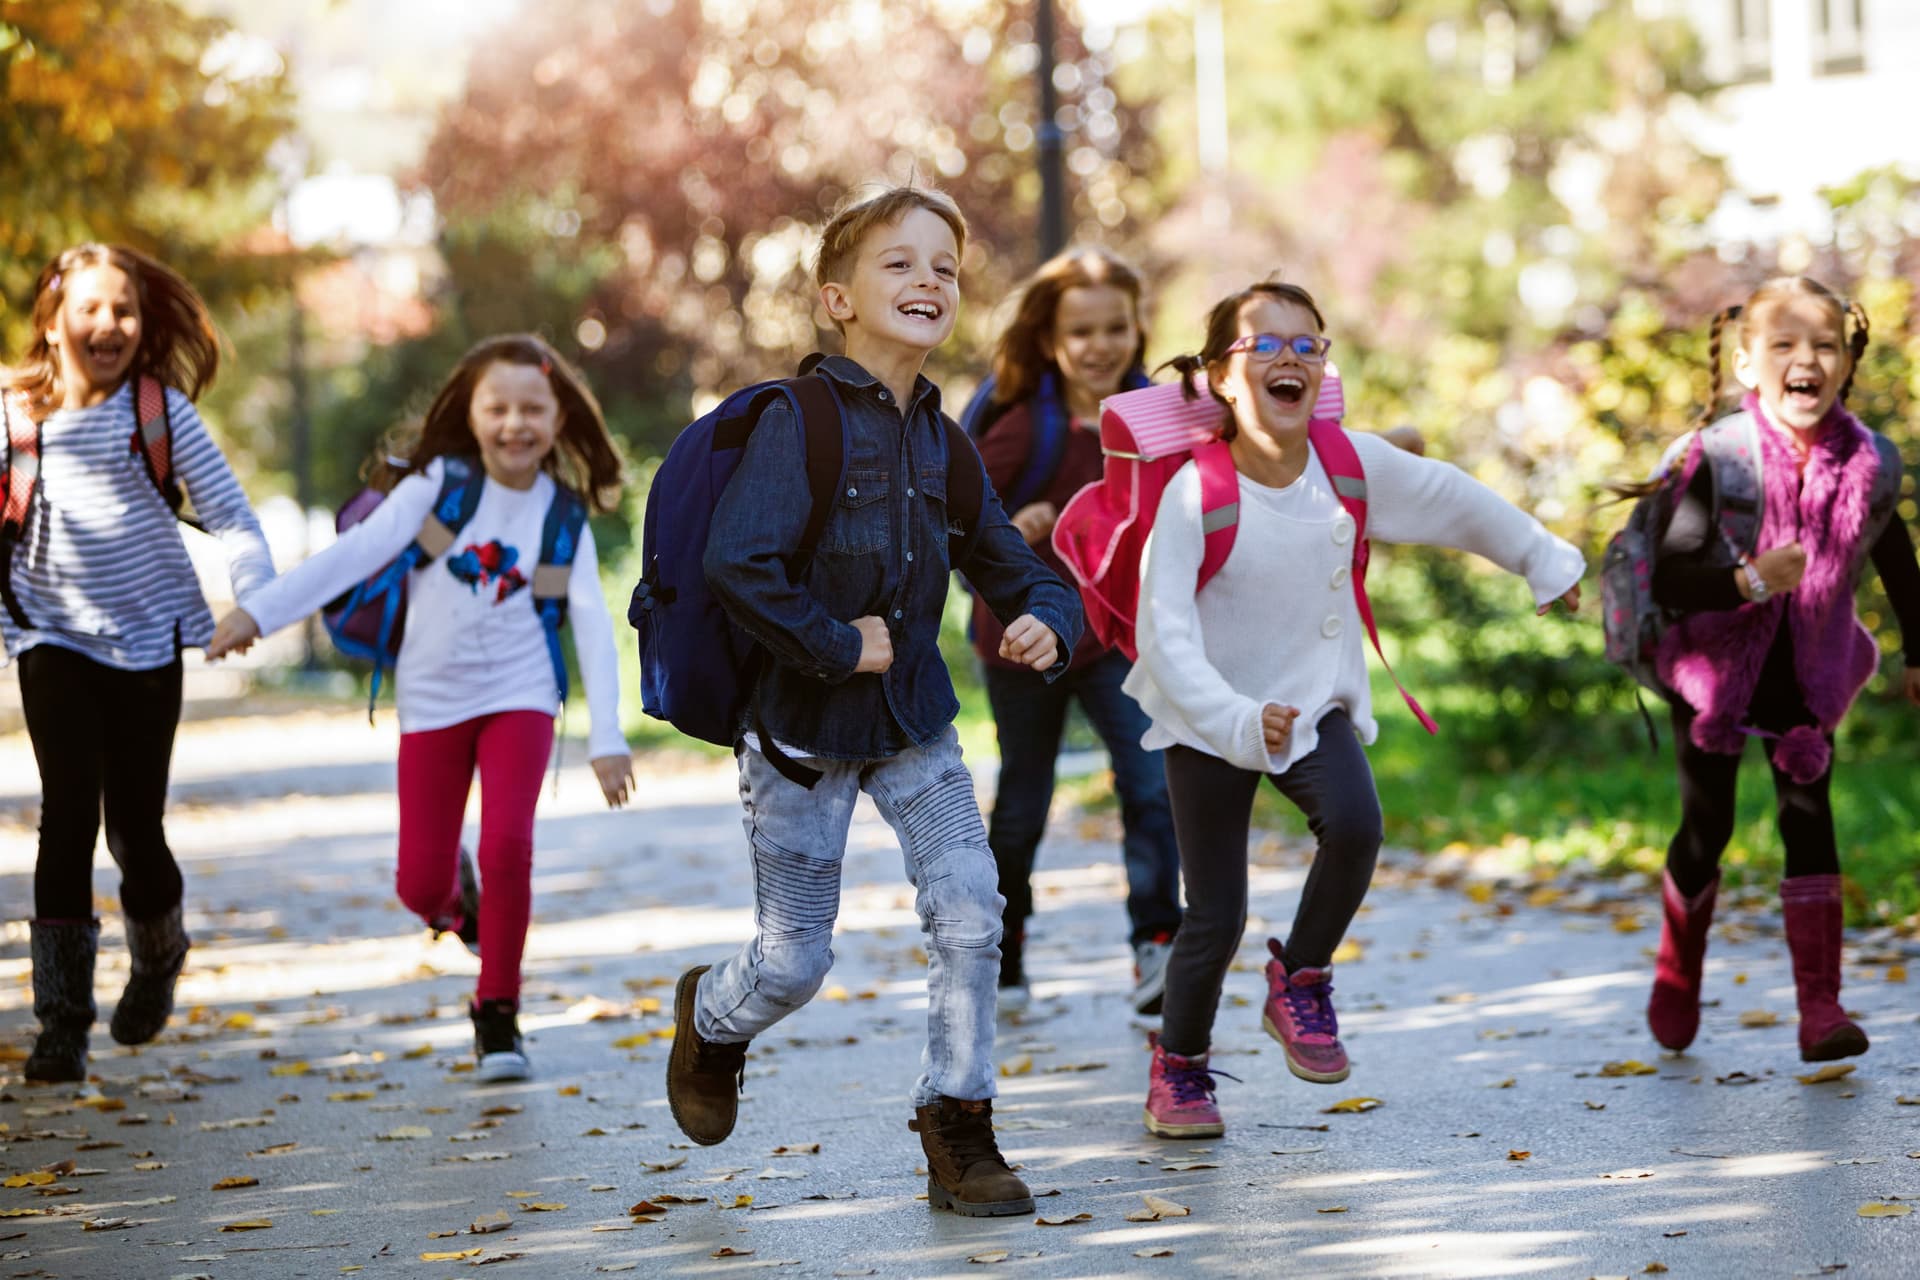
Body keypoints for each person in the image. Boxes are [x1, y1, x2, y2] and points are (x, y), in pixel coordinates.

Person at [663, 184, 1082, 1219]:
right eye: (899, 263)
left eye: (944, 265)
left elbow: (1008, 557)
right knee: (794, 962)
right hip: (799, 736)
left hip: (914, 725)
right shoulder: (797, 421)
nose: (928, 280)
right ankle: (712, 1018)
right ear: (836, 298)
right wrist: (835, 641)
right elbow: (738, 562)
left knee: (973, 909)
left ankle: (960, 1123)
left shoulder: (944, 441)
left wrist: (1049, 617)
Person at [1126, 280, 1583, 1138]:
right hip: (1209, 718)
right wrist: (1231, 718)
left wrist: (1542, 560)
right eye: (1264, 344)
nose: (1289, 356)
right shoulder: (1194, 494)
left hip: (1311, 704)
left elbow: (1452, 499)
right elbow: (1165, 636)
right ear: (1223, 376)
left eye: (1308, 343)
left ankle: (1300, 977)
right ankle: (1180, 1067)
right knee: (1214, 916)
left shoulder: (1349, 465)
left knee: (1359, 824)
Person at [207, 334, 632, 1083]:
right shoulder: (439, 486)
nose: (514, 424)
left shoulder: (560, 514)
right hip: (433, 701)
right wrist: (259, 614)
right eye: (496, 408)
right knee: (419, 886)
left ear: (559, 418)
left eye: (532, 409)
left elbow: (593, 624)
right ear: (470, 415)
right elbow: (353, 555)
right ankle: (462, 912)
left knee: (508, 847)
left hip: (520, 697)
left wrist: (606, 737)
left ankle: (498, 1011)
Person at [3, 244, 276, 1083]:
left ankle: (158, 956)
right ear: (51, 324)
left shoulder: (157, 412)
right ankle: (61, 1024)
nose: (108, 325)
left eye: (123, 309)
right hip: (49, 635)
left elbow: (233, 515)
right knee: (66, 820)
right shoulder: (15, 417)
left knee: (135, 830)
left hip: (150, 641)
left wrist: (250, 600)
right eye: (87, 309)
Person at [1643, 276, 1920, 1063]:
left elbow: (1897, 561)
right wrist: (1751, 578)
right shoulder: (1722, 458)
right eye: (1785, 345)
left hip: (1806, 664)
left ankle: (1821, 1006)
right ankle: (1678, 966)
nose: (1808, 360)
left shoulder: (1866, 461)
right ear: (1746, 363)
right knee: (1710, 827)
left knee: (1808, 815)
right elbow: (1672, 576)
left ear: (1846, 361)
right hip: (1712, 667)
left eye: (1825, 345)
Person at [964, 247, 1182, 1017]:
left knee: (1151, 784)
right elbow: (958, 516)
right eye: (1081, 330)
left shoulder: (1158, 414)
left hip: (1118, 636)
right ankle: (1005, 939)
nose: (1100, 345)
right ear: (1051, 337)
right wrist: (1011, 530)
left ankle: (1156, 944)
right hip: (1024, 636)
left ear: (1138, 328)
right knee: (1024, 800)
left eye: (1115, 327)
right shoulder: (1028, 425)